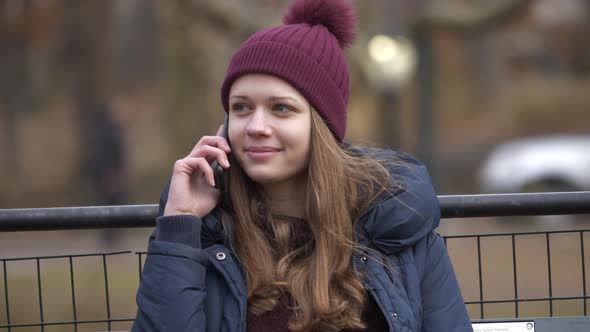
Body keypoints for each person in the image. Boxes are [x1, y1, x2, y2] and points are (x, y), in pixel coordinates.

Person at [132, 0, 473, 331]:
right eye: (241, 108)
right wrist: (180, 224)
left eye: (281, 108)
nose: (255, 126)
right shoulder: (203, 233)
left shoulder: (399, 229)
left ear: (321, 126)